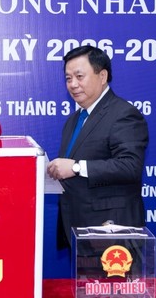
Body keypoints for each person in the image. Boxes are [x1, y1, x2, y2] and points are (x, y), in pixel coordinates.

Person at [46, 45, 149, 248]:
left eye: (79, 76)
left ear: (102, 76)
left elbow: (130, 166)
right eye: (68, 78)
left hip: (112, 232)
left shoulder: (124, 114)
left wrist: (76, 167)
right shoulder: (74, 120)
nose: (73, 84)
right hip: (79, 228)